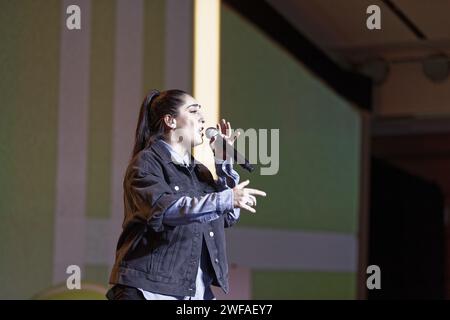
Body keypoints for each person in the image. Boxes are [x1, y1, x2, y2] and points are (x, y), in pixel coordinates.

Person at [106, 89, 266, 300]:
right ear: (170, 121)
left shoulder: (199, 170)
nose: (202, 119)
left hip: (192, 292)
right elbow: (166, 210)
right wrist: (225, 199)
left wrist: (224, 163)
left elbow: (227, 216)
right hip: (150, 291)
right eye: (193, 111)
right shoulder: (146, 163)